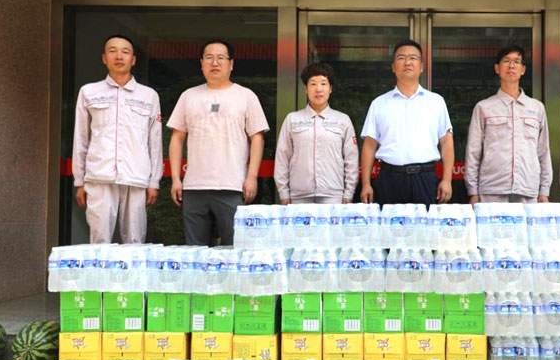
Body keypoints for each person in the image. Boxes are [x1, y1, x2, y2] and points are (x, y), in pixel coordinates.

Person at [167, 40, 269, 246]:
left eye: (221, 58)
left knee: (235, 247)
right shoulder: (188, 96)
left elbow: (257, 138)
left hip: (232, 185)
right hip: (194, 186)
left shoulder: (246, 96)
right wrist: (176, 179)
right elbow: (177, 138)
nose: (215, 63)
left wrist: (251, 177)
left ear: (231, 64)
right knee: (195, 249)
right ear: (201, 63)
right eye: (209, 57)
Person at [72, 34, 163, 243]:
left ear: (133, 59)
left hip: (136, 177)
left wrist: (154, 182)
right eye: (113, 51)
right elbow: (81, 138)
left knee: (135, 242)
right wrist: (80, 180)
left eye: (125, 52)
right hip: (99, 176)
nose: (119, 56)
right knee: (100, 241)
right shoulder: (89, 92)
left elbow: (155, 142)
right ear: (104, 58)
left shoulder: (148, 96)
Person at [359, 39, 454, 206]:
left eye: (413, 58)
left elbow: (446, 141)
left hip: (425, 178)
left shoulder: (436, 102)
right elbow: (369, 145)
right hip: (390, 178)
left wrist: (447, 180)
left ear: (421, 66)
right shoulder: (379, 104)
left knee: (426, 223)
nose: (407, 62)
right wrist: (366, 183)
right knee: (389, 223)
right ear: (393, 67)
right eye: (401, 58)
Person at [465, 45, 552, 204]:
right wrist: (473, 191)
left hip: (528, 190)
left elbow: (543, 152)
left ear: (523, 69)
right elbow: (473, 152)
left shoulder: (537, 108)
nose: (511, 66)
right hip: (492, 189)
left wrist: (544, 190)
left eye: (516, 62)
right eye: (506, 61)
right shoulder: (484, 107)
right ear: (497, 68)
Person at [274, 63, 358, 204]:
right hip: (298, 196)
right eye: (313, 84)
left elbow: (351, 160)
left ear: (330, 89)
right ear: (306, 89)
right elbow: (282, 158)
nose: (318, 89)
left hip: (333, 196)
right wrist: (283, 193)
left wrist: (348, 193)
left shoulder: (343, 120)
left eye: (323, 84)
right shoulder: (292, 119)